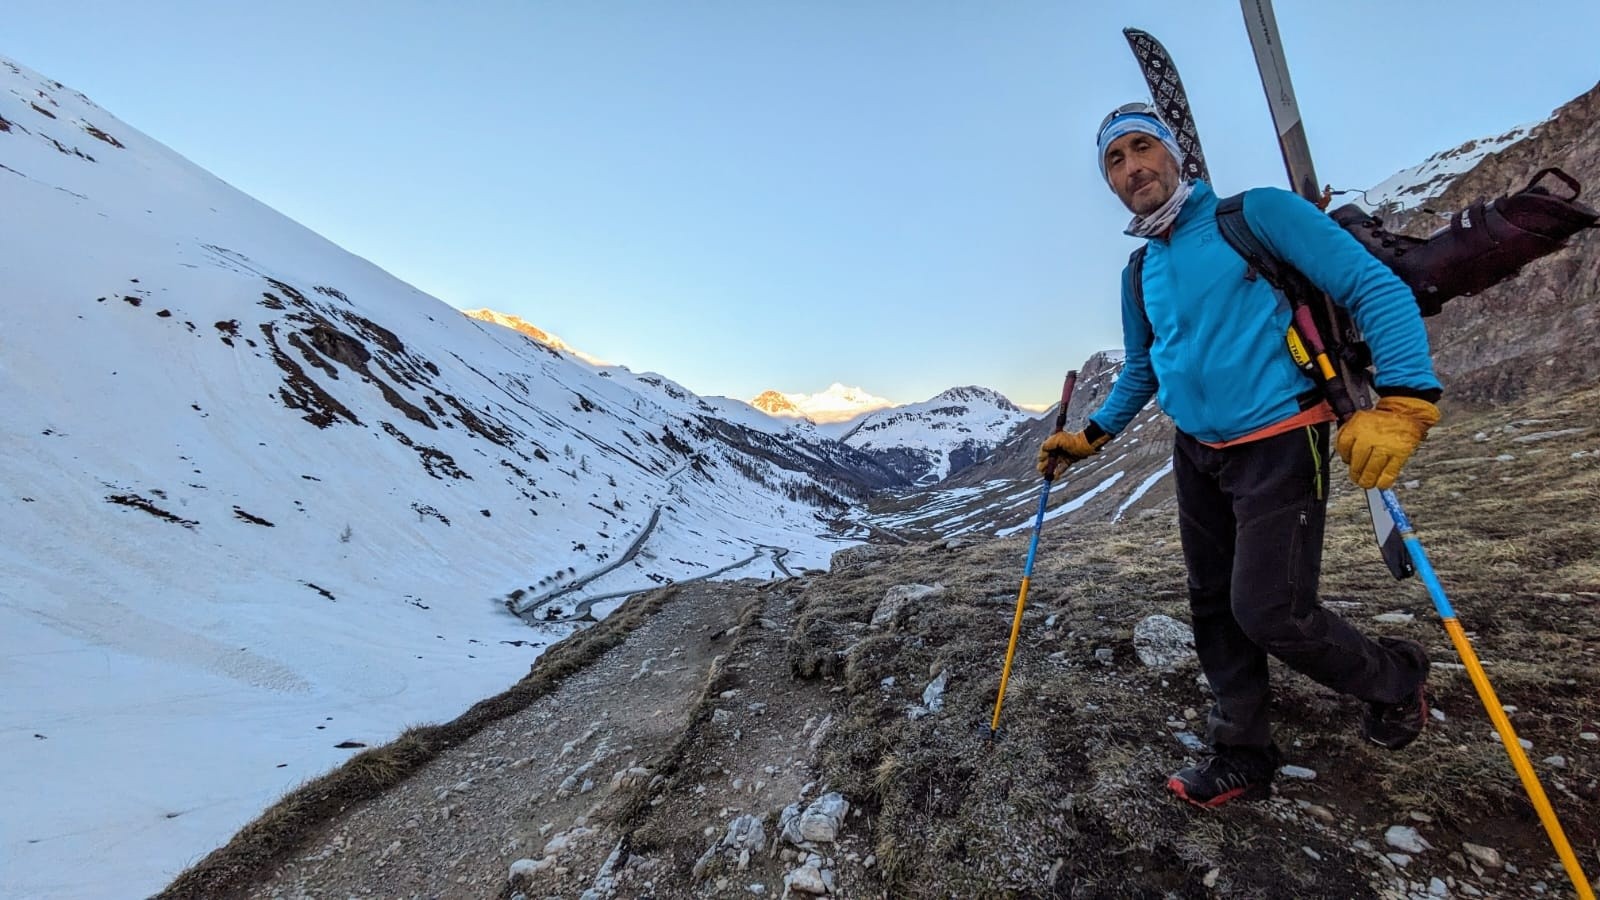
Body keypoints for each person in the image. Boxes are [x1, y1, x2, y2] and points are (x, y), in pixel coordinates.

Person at [1038, 103, 1443, 808]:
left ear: (1175, 154)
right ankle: (1242, 753)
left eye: (1142, 147)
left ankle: (1397, 679)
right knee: (1213, 604)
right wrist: (1088, 438)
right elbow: (1144, 368)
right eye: (1115, 160)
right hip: (1198, 450)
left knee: (1271, 610)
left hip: (1281, 440)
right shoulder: (1140, 270)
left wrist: (1406, 402)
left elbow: (1372, 286)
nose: (1132, 167)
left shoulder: (1256, 215)